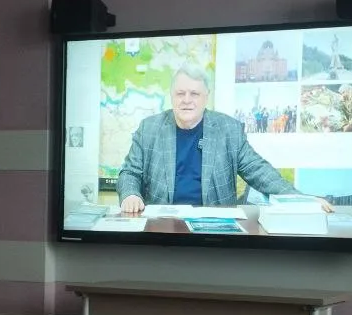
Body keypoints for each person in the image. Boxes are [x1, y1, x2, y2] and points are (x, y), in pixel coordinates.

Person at [117, 64, 332, 214]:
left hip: (214, 230)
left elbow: (259, 171)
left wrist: (300, 200)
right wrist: (130, 195)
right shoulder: (149, 128)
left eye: (194, 94)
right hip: (161, 227)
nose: (186, 100)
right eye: (180, 93)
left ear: (206, 97)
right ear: (172, 96)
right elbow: (129, 172)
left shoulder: (228, 129)